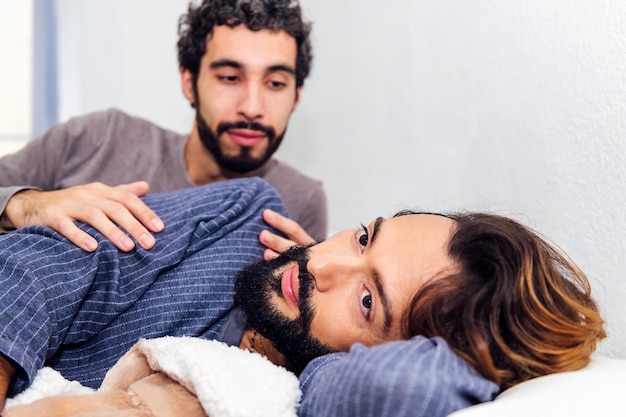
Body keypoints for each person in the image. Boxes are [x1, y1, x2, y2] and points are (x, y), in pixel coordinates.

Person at [0, 177, 605, 416]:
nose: (325, 261)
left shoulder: (305, 389)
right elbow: (46, 265)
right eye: (365, 236)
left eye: (368, 300)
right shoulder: (249, 217)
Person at [0, 0, 326, 257]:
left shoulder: (300, 200)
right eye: (230, 78)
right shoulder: (97, 138)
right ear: (189, 82)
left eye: (276, 83)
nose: (252, 108)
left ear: (296, 96)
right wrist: (26, 205)